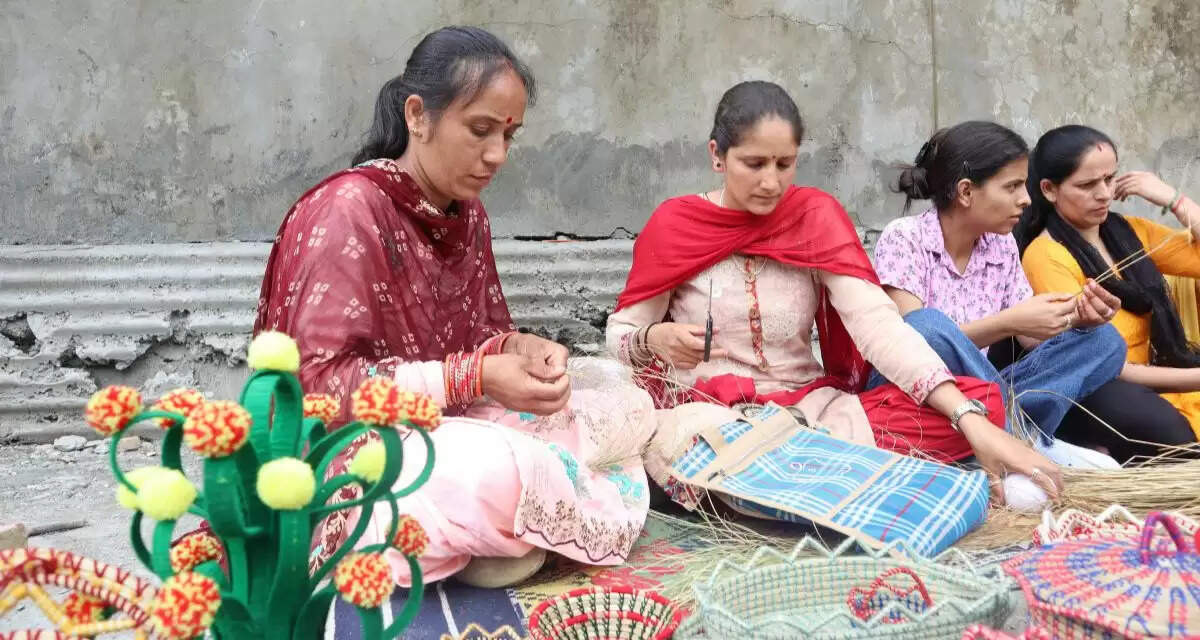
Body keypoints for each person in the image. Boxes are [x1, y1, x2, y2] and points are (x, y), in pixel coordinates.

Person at [255, 26, 655, 588]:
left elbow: (479, 341)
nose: (496, 156)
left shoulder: (465, 214)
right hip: (354, 457)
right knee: (495, 473)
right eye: (480, 130)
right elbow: (318, 392)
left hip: (450, 424)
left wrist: (518, 350)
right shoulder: (348, 210)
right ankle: (492, 531)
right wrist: (473, 375)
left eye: (509, 136)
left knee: (623, 399)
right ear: (418, 116)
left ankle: (490, 537)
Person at [606, 81, 1062, 510]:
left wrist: (967, 418)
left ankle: (788, 484)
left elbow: (878, 325)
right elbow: (621, 336)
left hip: (810, 412)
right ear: (717, 156)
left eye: (785, 164)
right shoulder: (675, 224)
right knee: (696, 444)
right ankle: (823, 478)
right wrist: (653, 339)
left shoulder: (813, 217)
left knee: (983, 403)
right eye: (755, 164)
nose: (771, 182)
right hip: (708, 414)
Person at [872, 121, 1126, 469]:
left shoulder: (1001, 244)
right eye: (1012, 186)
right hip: (914, 394)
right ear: (965, 192)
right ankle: (1025, 441)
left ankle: (1011, 435)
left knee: (1104, 341)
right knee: (926, 325)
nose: (1025, 198)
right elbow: (908, 346)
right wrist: (1007, 322)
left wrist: (1076, 317)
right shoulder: (905, 238)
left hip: (982, 395)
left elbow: (1029, 336)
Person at [1016, 124, 1200, 460]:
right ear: (1049, 189)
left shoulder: (1129, 233)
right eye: (1087, 185)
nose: (1103, 193)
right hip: (1106, 391)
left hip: (1168, 378)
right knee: (1177, 438)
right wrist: (1196, 379)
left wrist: (1172, 199)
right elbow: (1103, 361)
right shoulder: (1046, 256)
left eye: (1110, 179)